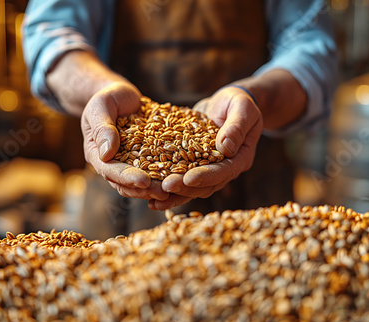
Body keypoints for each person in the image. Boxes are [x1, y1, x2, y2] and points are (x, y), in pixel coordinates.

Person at [23, 0, 338, 240]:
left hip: (256, 196)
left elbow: (311, 49)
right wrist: (100, 90)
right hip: (121, 201)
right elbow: (49, 33)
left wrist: (253, 99)